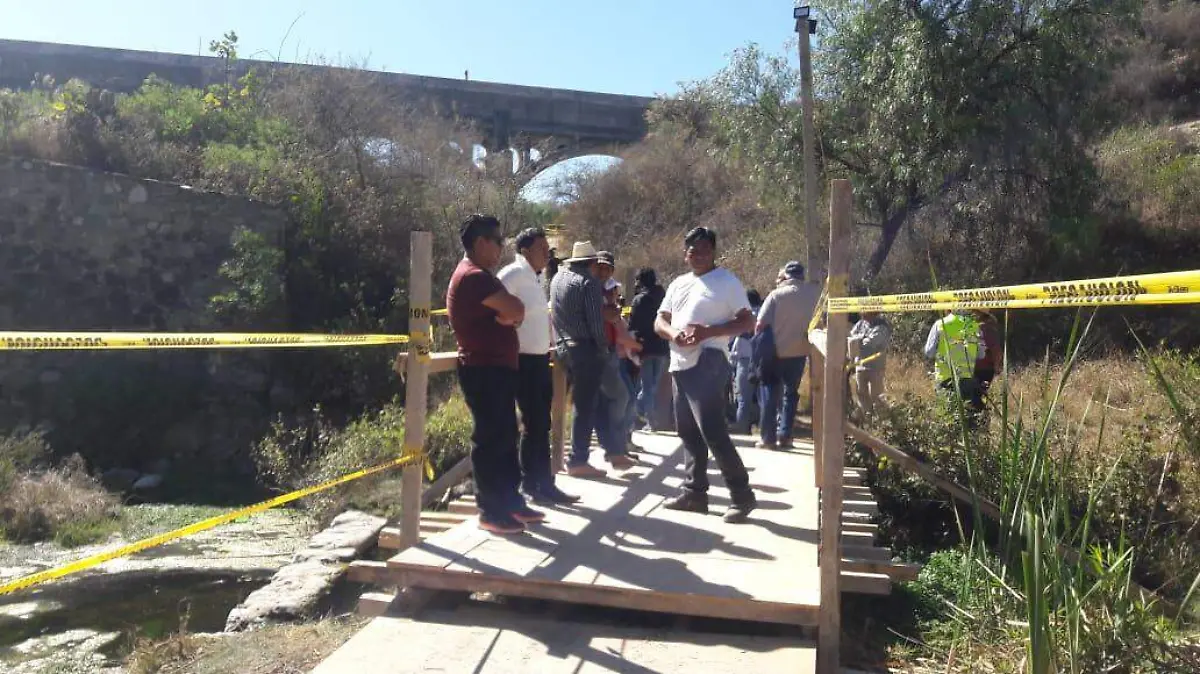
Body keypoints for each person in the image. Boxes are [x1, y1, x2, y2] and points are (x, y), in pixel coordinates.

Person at [446, 214, 545, 535]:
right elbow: (516, 310)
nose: (503, 247)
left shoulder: (480, 276)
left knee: (505, 435)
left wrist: (510, 316)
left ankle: (509, 502)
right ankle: (491, 509)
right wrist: (510, 315)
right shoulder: (475, 277)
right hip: (484, 368)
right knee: (491, 438)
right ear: (480, 242)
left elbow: (514, 313)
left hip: (494, 368)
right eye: (499, 241)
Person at [655, 227, 757, 523]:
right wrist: (674, 334)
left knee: (712, 429)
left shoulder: (726, 282)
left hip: (709, 358)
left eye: (704, 250)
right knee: (687, 431)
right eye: (692, 250)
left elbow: (747, 321)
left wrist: (708, 332)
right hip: (680, 361)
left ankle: (742, 496)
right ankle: (695, 493)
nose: (698, 255)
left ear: (714, 252)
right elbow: (660, 319)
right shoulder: (678, 284)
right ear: (685, 253)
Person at [497, 228, 579, 505]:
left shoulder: (536, 278)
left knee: (540, 422)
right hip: (522, 359)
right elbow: (492, 306)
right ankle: (534, 484)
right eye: (542, 248)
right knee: (534, 422)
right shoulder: (513, 274)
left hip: (540, 358)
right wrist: (508, 325)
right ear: (525, 250)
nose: (547, 253)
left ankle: (541, 483)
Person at [550, 241, 635, 478]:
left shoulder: (558, 279)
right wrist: (603, 348)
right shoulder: (588, 284)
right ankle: (578, 459)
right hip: (585, 348)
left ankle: (613, 451)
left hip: (564, 347)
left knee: (593, 401)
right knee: (587, 405)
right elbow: (596, 325)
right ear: (590, 263)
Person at [755, 262, 820, 449]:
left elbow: (760, 324)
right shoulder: (814, 294)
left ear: (785, 275)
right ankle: (786, 435)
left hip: (775, 352)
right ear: (801, 275)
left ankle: (768, 438)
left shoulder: (776, 295)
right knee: (790, 394)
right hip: (800, 351)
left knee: (769, 392)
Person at [595, 250, 642, 457]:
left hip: (613, 352)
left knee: (623, 398)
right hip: (602, 351)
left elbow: (617, 325)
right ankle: (615, 447)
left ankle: (618, 446)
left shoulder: (609, 294)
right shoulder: (592, 291)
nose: (604, 271)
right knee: (623, 397)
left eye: (608, 268)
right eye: (600, 267)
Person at [627, 268, 668, 430]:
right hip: (662, 347)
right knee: (652, 386)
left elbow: (633, 324)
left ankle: (636, 414)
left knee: (647, 386)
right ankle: (645, 418)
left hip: (644, 347)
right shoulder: (663, 298)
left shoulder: (639, 300)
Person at [923, 310, 985, 414]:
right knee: (965, 414)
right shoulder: (975, 326)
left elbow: (929, 352)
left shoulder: (940, 324)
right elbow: (981, 355)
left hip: (945, 378)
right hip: (966, 379)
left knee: (946, 414)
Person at [847, 310, 892, 417]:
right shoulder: (861, 323)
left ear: (873, 312)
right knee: (861, 394)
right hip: (860, 365)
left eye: (864, 311)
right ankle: (867, 419)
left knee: (876, 396)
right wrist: (859, 338)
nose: (861, 313)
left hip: (875, 366)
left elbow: (871, 343)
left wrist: (857, 339)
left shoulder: (881, 326)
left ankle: (883, 421)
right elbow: (851, 335)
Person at [729, 289, 762, 434]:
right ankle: (765, 429)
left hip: (744, 361)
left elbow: (731, 339)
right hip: (763, 361)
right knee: (764, 398)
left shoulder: (744, 318)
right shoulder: (765, 314)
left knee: (743, 399)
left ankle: (742, 428)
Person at [972, 309, 1002, 397]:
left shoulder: (987, 329)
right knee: (978, 396)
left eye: (975, 312)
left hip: (981, 368)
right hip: (983, 368)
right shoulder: (988, 329)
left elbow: (995, 350)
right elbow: (997, 350)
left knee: (975, 396)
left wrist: (996, 366)